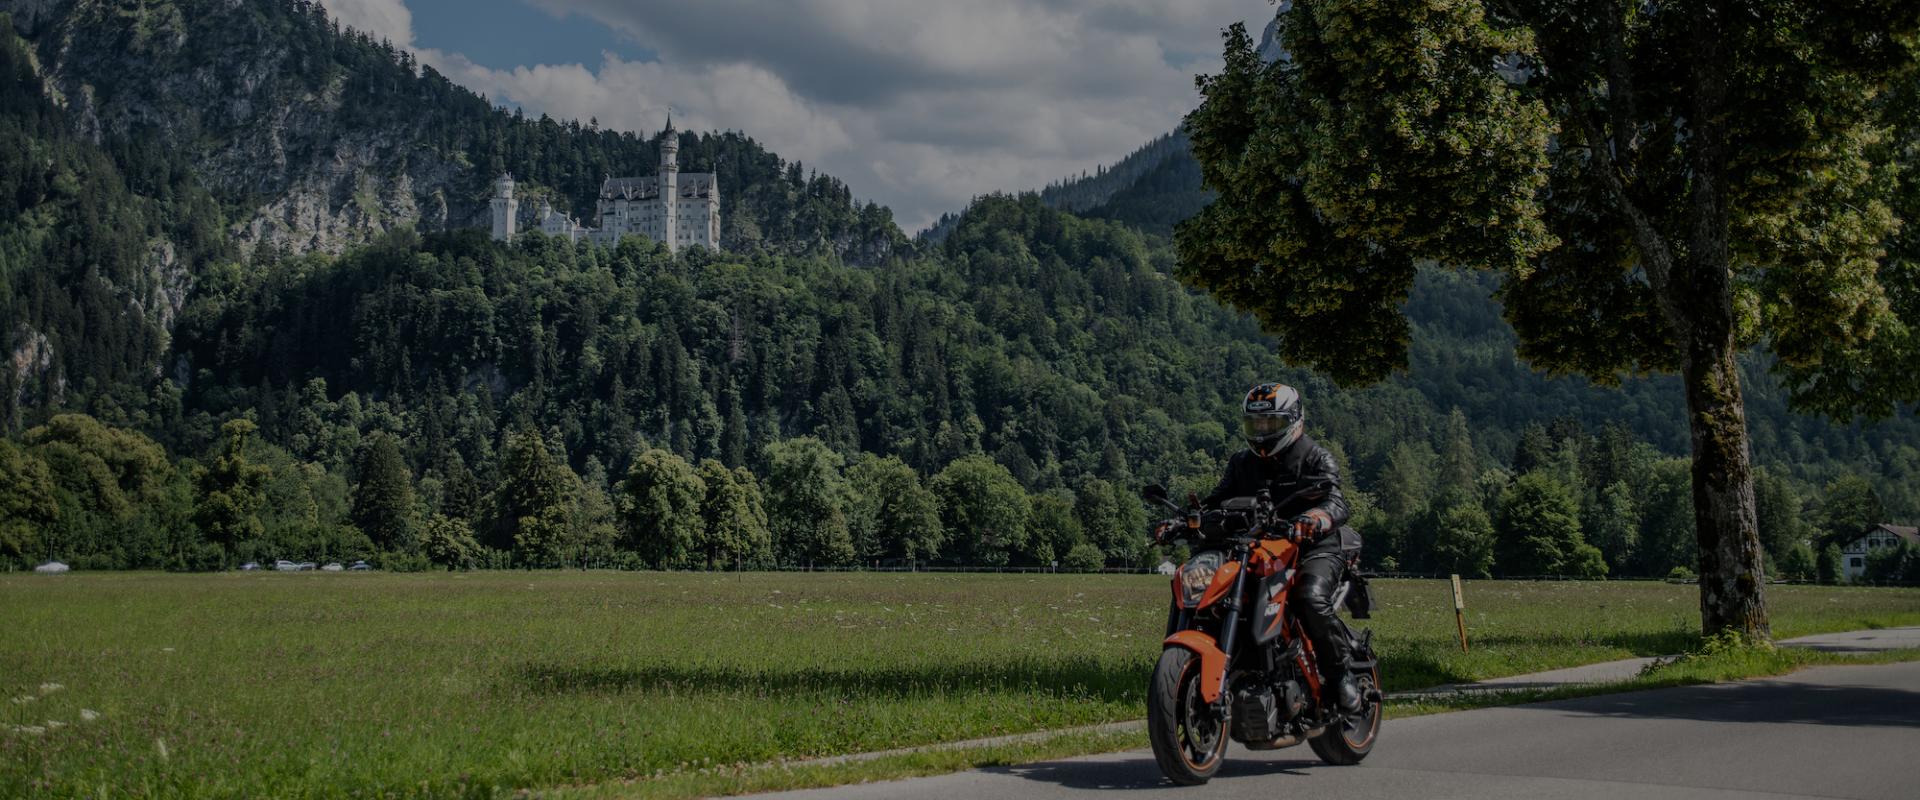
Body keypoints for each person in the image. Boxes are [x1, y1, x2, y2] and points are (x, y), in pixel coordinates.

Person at [1203, 381, 1364, 714]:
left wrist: (1318, 518)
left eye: (1270, 423)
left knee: (1309, 597)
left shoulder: (1315, 457)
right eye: (1255, 424)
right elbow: (1215, 501)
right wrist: (1188, 520)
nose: (1262, 431)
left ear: (1293, 420)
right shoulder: (1241, 463)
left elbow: (1337, 500)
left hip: (1314, 547)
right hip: (1260, 550)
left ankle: (1341, 674)